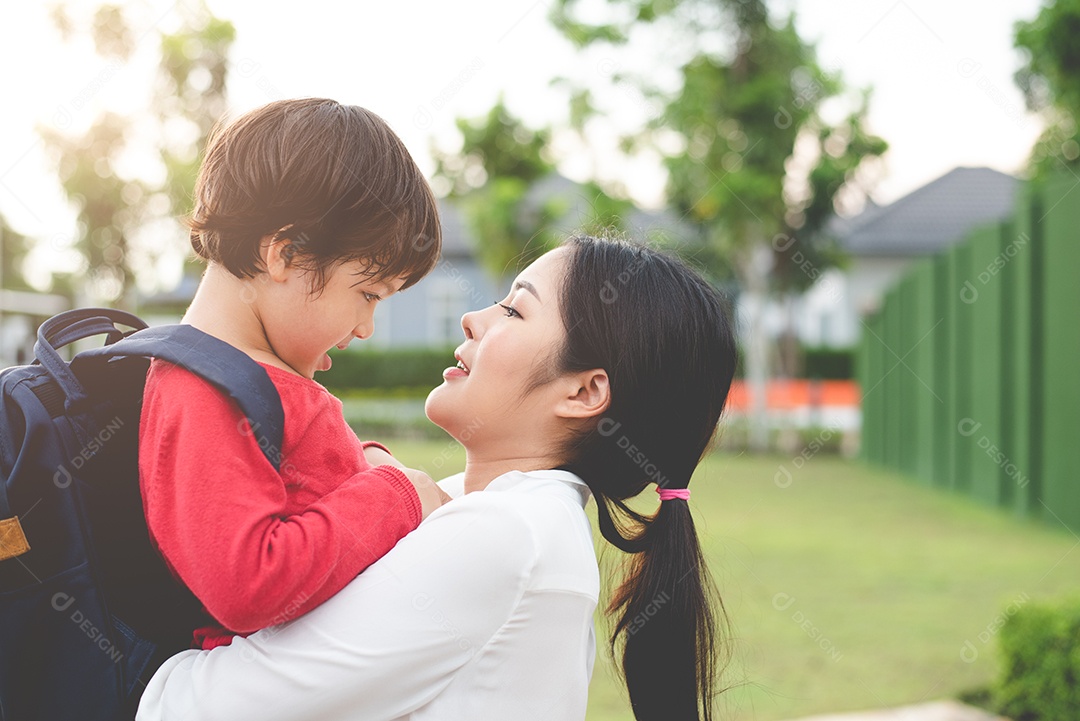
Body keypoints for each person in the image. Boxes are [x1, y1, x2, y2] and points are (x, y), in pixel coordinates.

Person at [137, 235, 739, 721]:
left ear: (583, 391)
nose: (475, 318)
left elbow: (198, 710)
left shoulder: (509, 535)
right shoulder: (478, 512)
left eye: (514, 309)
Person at [138, 98, 449, 652]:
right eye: (368, 295)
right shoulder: (203, 390)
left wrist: (371, 464)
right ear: (287, 254)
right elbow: (249, 583)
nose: (367, 327)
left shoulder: (261, 378)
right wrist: (396, 495)